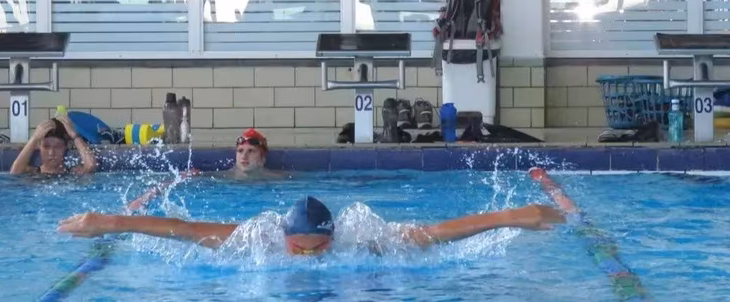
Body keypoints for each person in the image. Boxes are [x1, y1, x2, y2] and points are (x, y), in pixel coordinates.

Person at [60, 195, 566, 255]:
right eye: (298, 248)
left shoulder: (362, 240)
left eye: (314, 248)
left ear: (332, 238)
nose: (305, 256)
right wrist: (108, 222)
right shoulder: (257, 240)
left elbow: (437, 231)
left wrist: (510, 217)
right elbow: (181, 228)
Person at [124, 128, 286, 212]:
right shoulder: (223, 177)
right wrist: (146, 197)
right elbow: (180, 180)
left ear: (262, 159)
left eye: (251, 151)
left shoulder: (279, 180)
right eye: (240, 151)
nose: (244, 156)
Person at [10, 116, 97, 175]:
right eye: (46, 146)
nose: (51, 153)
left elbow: (90, 166)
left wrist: (74, 134)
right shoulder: (33, 172)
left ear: (66, 147)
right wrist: (34, 138)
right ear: (39, 146)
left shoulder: (72, 172)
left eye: (58, 147)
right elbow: (14, 172)